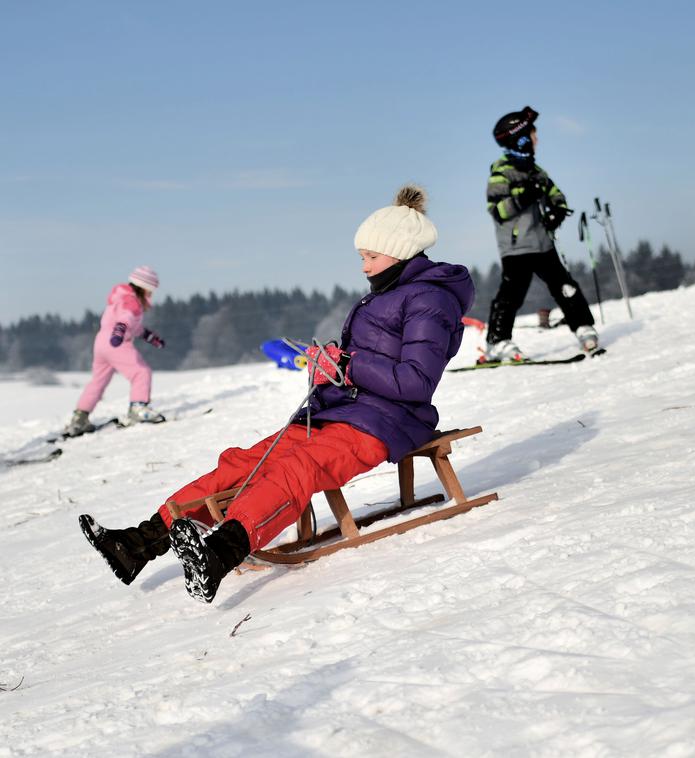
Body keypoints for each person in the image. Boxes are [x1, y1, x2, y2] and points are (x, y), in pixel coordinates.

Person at [78, 186, 475, 603]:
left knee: (296, 467)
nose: (363, 266)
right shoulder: (389, 293)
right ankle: (140, 543)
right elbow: (366, 360)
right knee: (244, 462)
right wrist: (333, 367)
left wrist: (347, 365)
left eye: (370, 257)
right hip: (340, 411)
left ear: (401, 252)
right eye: (362, 257)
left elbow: (415, 382)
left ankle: (221, 552)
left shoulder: (431, 301)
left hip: (387, 422)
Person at [483, 106, 599, 363]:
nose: (537, 141)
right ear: (520, 139)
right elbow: (498, 209)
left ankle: (583, 327)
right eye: (533, 136)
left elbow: (556, 194)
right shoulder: (501, 172)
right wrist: (524, 196)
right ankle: (497, 341)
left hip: (542, 243)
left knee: (565, 286)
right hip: (516, 247)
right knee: (512, 295)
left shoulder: (537, 171)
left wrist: (557, 209)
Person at [65, 266, 168, 436]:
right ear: (143, 287)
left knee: (97, 382)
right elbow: (125, 319)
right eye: (150, 291)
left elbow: (134, 327)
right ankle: (138, 408)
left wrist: (150, 337)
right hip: (116, 342)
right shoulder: (132, 302)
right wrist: (119, 332)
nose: (151, 295)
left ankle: (79, 419)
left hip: (101, 343)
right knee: (141, 372)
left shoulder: (119, 299)